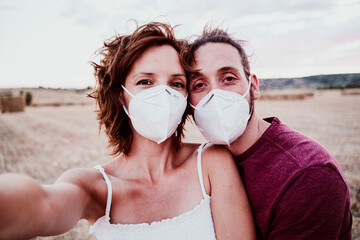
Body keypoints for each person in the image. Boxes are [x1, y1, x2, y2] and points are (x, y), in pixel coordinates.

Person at [0, 22, 255, 240]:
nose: (163, 94)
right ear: (121, 95)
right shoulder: (97, 188)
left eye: (176, 83)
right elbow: (42, 204)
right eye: (146, 82)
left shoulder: (211, 163)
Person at [183, 28, 353, 239]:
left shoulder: (308, 174)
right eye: (199, 85)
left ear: (253, 87)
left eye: (228, 78)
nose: (215, 95)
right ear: (189, 104)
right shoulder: (199, 166)